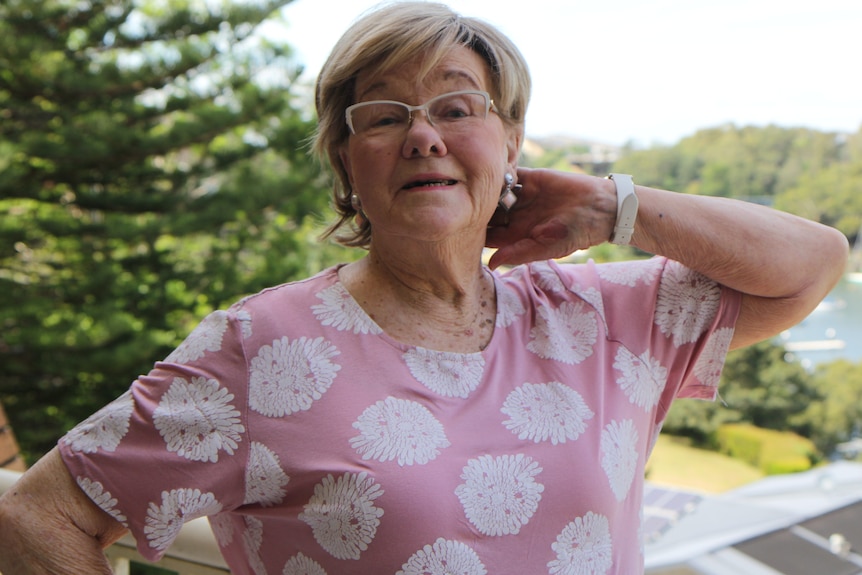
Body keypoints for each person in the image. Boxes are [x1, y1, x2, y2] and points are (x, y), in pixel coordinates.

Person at [0, 2, 850, 574]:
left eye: (456, 108)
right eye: (382, 116)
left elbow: (811, 263)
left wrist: (610, 203)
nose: (422, 136)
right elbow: (37, 518)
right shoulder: (261, 351)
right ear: (344, 157)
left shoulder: (600, 317)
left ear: (510, 142)